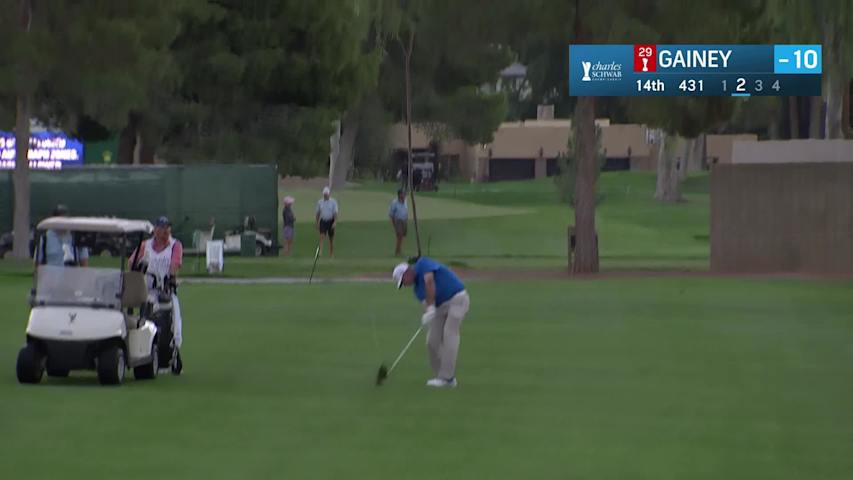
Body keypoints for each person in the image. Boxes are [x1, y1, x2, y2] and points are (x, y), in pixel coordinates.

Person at [392, 257, 470, 388]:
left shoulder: (423, 264)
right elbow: (426, 302)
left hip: (458, 299)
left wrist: (431, 306)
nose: (404, 285)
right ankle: (442, 376)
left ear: (407, 273)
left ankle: (447, 378)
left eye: (403, 281)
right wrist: (428, 312)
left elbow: (429, 282)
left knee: (449, 334)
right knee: (431, 341)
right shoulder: (417, 290)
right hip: (439, 307)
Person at [129, 216, 184, 349]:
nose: (166, 231)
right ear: (155, 230)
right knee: (142, 319)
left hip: (165, 289)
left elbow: (174, 264)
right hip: (145, 290)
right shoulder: (145, 245)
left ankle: (174, 348)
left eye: (168, 228)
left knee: (174, 322)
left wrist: (171, 278)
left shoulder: (175, 245)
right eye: (162, 228)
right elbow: (132, 262)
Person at [315, 186, 338, 257]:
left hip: (331, 221)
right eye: (324, 194)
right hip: (323, 221)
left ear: (329, 194)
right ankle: (320, 252)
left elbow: (335, 213)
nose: (325, 195)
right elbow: (318, 213)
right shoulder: (320, 202)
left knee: (331, 239)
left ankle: (331, 253)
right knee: (322, 237)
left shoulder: (333, 202)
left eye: (326, 194)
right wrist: (317, 222)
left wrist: (335, 222)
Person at [388, 189, 408, 256]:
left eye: (404, 194)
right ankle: (397, 252)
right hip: (398, 220)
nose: (404, 195)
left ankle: (399, 250)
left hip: (404, 220)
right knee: (399, 236)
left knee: (402, 237)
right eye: (403, 194)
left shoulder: (405, 201)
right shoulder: (394, 202)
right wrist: (394, 224)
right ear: (399, 195)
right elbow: (391, 214)